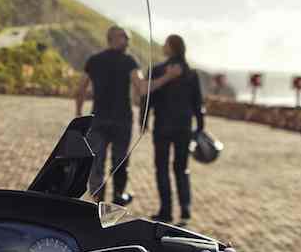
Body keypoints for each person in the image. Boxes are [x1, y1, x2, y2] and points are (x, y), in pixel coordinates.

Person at [75, 26, 181, 204]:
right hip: (118, 122)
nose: (127, 40)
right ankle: (114, 200)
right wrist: (168, 76)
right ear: (111, 38)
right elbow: (142, 88)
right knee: (115, 163)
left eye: (128, 37)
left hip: (103, 121)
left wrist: (79, 115)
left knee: (100, 163)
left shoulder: (94, 60)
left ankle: (101, 202)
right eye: (123, 36)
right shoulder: (129, 61)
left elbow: (80, 90)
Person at [149, 34, 205, 224]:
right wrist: (200, 127)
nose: (163, 46)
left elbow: (148, 99)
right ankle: (185, 209)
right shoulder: (191, 73)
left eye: (166, 44)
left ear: (171, 47)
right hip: (183, 127)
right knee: (182, 168)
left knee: (162, 168)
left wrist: (143, 121)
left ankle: (165, 211)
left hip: (162, 126)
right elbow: (198, 103)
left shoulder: (158, 70)